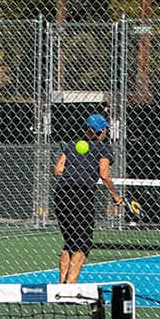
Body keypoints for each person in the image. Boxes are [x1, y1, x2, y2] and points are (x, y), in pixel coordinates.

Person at [52, 113, 124, 283]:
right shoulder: (103, 148)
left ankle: (61, 284)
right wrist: (115, 196)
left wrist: (75, 171)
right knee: (83, 243)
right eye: (106, 128)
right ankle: (71, 285)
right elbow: (105, 175)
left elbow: (57, 170)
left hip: (61, 194)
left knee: (69, 242)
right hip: (81, 195)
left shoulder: (72, 145)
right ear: (102, 130)